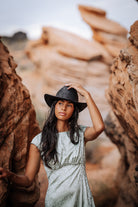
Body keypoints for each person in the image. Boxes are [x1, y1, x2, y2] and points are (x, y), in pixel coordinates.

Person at [0, 83, 105, 207]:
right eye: (60, 103)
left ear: (74, 110)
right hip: (56, 201)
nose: (63, 108)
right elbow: (28, 180)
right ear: (54, 106)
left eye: (69, 105)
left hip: (81, 200)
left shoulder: (80, 134)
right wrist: (10, 175)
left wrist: (87, 95)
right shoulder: (39, 141)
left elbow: (99, 127)